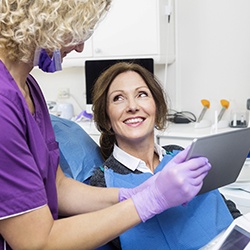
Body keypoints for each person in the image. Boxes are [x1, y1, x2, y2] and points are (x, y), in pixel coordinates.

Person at [0, 1, 213, 249]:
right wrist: (149, 200)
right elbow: (36, 242)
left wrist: (138, 191)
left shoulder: (29, 88)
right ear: (48, 21)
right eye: (76, 32)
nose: (80, 48)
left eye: (142, 94)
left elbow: (58, 187)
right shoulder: (4, 103)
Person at [89, 62, 241, 249]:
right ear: (106, 118)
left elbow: (224, 208)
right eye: (118, 98)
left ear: (157, 107)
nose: (132, 106)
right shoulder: (100, 184)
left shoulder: (182, 154)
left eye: (142, 94)